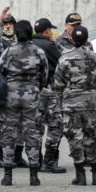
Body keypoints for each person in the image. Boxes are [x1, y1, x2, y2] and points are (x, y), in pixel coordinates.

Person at [53, 25, 96, 186]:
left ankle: (80, 174)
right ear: (86, 40)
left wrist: (63, 99)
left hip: (70, 103)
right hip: (90, 101)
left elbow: (58, 84)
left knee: (74, 137)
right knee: (92, 136)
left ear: (72, 40)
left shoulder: (64, 58)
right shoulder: (95, 57)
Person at [0, 20, 48, 187]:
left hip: (10, 95)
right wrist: (35, 87)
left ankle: (8, 175)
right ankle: (33, 175)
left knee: (9, 133)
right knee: (32, 133)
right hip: (31, 95)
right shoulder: (38, 52)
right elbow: (44, 75)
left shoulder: (9, 51)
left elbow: (0, 71)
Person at [0, 10, 28, 168]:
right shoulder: (0, 44)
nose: (8, 27)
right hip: (3, 86)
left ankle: (18, 155)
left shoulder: (22, 44)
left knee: (21, 123)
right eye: (6, 24)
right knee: (1, 123)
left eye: (11, 24)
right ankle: (2, 155)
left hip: (20, 88)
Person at [32, 18, 66, 174]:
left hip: (32, 91)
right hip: (50, 90)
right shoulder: (50, 45)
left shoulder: (29, 44)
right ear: (46, 31)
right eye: (50, 30)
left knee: (36, 126)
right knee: (55, 124)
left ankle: (36, 160)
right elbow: (63, 61)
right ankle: (49, 161)